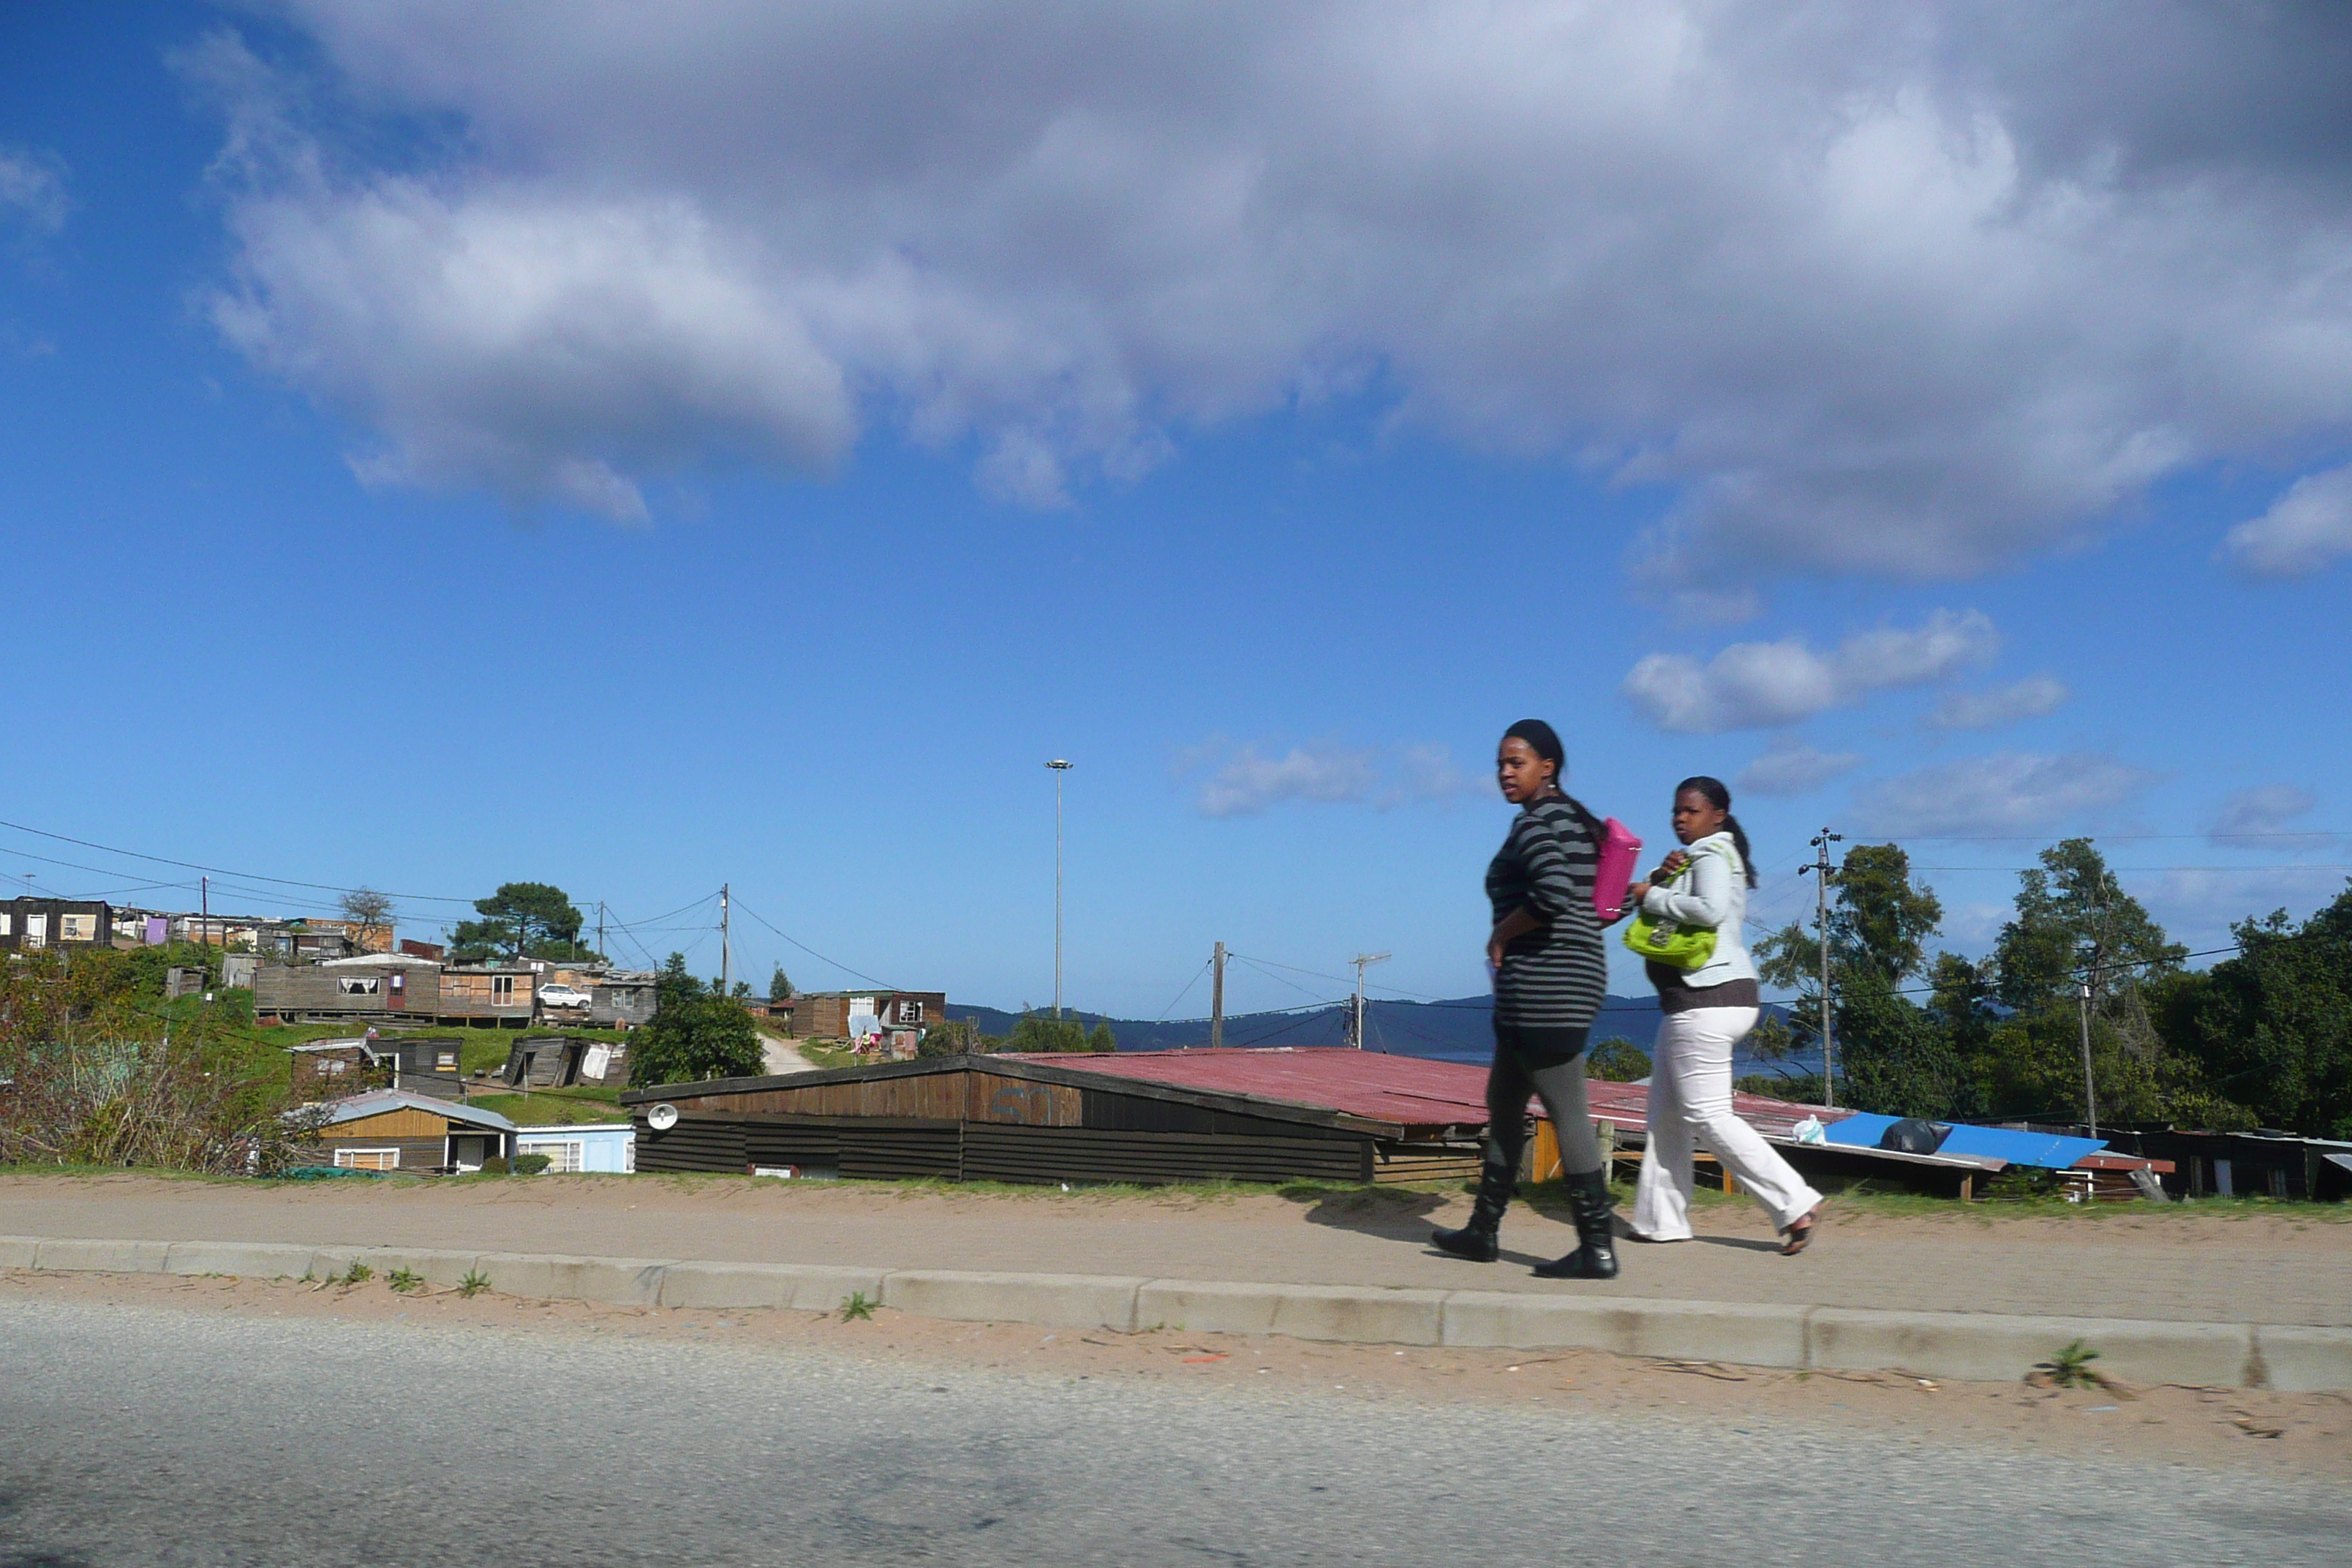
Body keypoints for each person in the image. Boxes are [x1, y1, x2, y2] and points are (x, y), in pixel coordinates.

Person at [1431, 720, 1619, 1279]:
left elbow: (1555, 895)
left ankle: (1597, 1246)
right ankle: (1483, 1232)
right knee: (1504, 1102)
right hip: (1556, 985)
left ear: (1548, 767)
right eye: (1500, 764)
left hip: (1545, 989)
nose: (1505, 773)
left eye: (1516, 762)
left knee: (1569, 1113)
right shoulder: (1576, 823)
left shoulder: (1539, 822)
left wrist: (1501, 935)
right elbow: (1602, 908)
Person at [1626, 777, 1823, 1254]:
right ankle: (1661, 1221)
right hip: (1699, 1004)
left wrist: (1649, 896)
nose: (1680, 818)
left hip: (1706, 1002)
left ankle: (1794, 1202)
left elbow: (1708, 909)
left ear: (1718, 815)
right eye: (1676, 811)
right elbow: (1690, 897)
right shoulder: (1701, 855)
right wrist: (1661, 874)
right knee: (1667, 1115)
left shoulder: (1713, 852)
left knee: (1708, 1114)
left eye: (1691, 811)